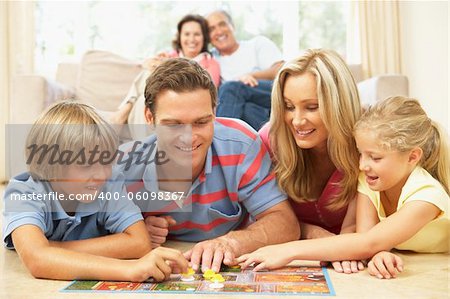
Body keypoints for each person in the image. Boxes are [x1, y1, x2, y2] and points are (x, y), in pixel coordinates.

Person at [116, 58, 299, 273]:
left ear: (214, 112)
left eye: (201, 122)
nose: (189, 137)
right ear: (149, 117)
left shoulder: (241, 145)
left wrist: (230, 243)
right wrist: (134, 232)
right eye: (173, 124)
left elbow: (285, 223)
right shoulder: (124, 166)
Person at [238, 96, 450, 280]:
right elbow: (359, 233)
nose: (361, 165)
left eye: (375, 157)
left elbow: (369, 241)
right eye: (361, 154)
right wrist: (377, 255)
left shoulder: (427, 195)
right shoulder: (369, 180)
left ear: (413, 157)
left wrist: (286, 250)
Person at [2, 101, 188, 281]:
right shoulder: (24, 193)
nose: (101, 175)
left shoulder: (109, 182)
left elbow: (139, 243)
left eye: (106, 162)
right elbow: (37, 261)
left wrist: (53, 248)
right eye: (86, 165)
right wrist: (130, 268)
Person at [258, 49, 363, 274]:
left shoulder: (366, 144)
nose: (296, 120)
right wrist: (311, 233)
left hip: (349, 258)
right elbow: (255, 217)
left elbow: (362, 231)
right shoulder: (269, 140)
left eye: (312, 107)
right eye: (288, 106)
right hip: (293, 257)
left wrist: (342, 245)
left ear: (339, 105)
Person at [111, 14, 220, 127]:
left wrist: (165, 65)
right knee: (146, 90)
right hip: (157, 102)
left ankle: (124, 111)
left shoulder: (210, 63)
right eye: (187, 34)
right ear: (180, 37)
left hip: (181, 103)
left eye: (197, 34)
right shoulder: (168, 55)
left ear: (204, 37)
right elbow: (146, 68)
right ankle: (127, 109)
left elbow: (208, 89)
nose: (191, 39)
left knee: (155, 74)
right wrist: (152, 63)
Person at [206, 10, 284, 130]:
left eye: (222, 24)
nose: (219, 31)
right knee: (246, 110)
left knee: (231, 88)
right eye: (211, 29)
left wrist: (250, 76)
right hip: (252, 110)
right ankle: (271, 141)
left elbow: (280, 69)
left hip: (271, 96)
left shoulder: (257, 44)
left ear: (232, 26)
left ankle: (220, 141)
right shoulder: (210, 59)